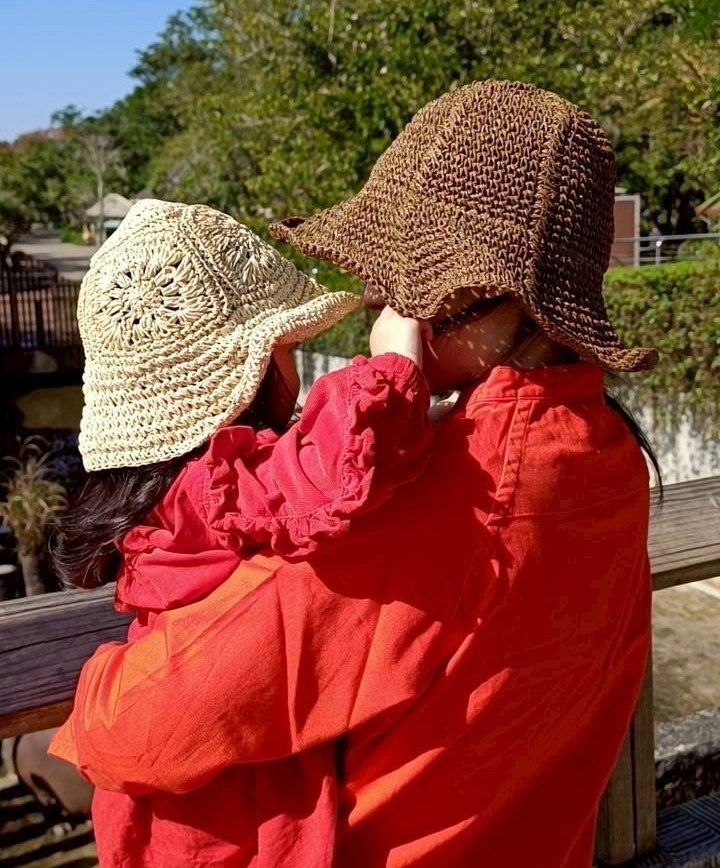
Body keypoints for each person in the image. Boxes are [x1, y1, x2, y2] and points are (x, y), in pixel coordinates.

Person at [52, 81, 658, 867]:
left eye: (408, 279)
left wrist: (95, 684)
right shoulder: (607, 454)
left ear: (488, 297)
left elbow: (137, 730)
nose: (381, 301)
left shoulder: (439, 504)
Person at [51, 198, 448, 867]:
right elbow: (328, 467)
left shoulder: (165, 503)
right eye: (288, 347)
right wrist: (394, 368)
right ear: (253, 369)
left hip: (172, 807)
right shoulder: (220, 487)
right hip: (231, 811)